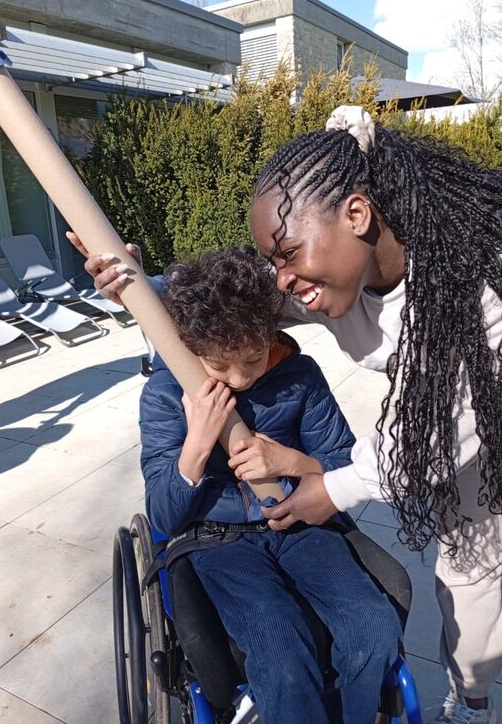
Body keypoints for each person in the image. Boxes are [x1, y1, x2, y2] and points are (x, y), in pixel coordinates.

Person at [67, 105, 502, 724]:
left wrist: (310, 472)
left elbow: (410, 449)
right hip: (222, 538)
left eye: (290, 253)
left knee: (447, 582)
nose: (282, 281)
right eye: (275, 262)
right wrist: (134, 283)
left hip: (477, 422)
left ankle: (464, 701)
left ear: (358, 214)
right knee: (278, 648)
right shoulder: (192, 377)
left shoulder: (471, 298)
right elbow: (221, 305)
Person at [138, 244, 401, 724]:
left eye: (254, 359)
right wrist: (197, 443)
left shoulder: (300, 377)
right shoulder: (165, 394)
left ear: (272, 335)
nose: (239, 379)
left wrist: (293, 461)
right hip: (219, 539)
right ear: (192, 349)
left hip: (300, 521)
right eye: (219, 366)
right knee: (282, 653)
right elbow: (163, 515)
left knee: (374, 626)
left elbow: (342, 461)